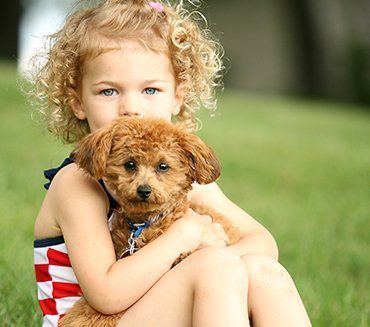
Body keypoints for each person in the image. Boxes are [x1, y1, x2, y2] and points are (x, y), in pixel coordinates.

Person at [31, 0, 312, 326]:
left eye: (150, 89)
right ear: (78, 101)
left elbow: (263, 244)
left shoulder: (180, 181)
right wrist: (185, 238)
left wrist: (215, 258)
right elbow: (106, 294)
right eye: (108, 92)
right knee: (213, 269)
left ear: (178, 95)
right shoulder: (77, 185)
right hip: (93, 320)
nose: (131, 107)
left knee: (265, 273)